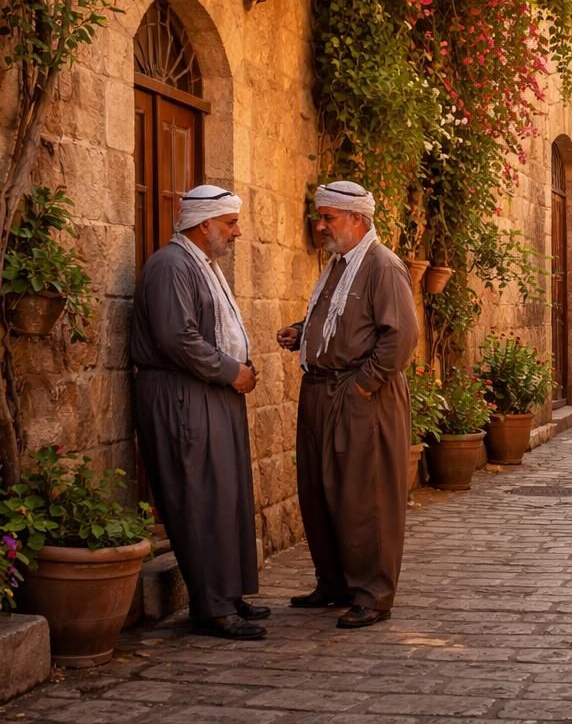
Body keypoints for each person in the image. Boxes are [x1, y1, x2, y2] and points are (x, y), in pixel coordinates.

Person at [277, 181, 418, 629]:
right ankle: (334, 583)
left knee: (364, 493)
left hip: (361, 397)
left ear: (358, 219)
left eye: (329, 218)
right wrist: (304, 332)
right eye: (319, 217)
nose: (320, 226)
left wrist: (363, 385)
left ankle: (372, 594)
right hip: (321, 391)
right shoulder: (340, 265)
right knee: (320, 490)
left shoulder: (382, 265)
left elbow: (400, 336)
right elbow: (344, 318)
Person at [129, 185, 266, 641]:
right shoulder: (171, 266)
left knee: (227, 494)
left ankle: (230, 595)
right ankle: (211, 607)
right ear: (204, 224)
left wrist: (236, 371)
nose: (238, 231)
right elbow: (177, 338)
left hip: (211, 390)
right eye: (230, 224)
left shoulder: (201, 266)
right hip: (183, 394)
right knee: (199, 494)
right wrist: (231, 371)